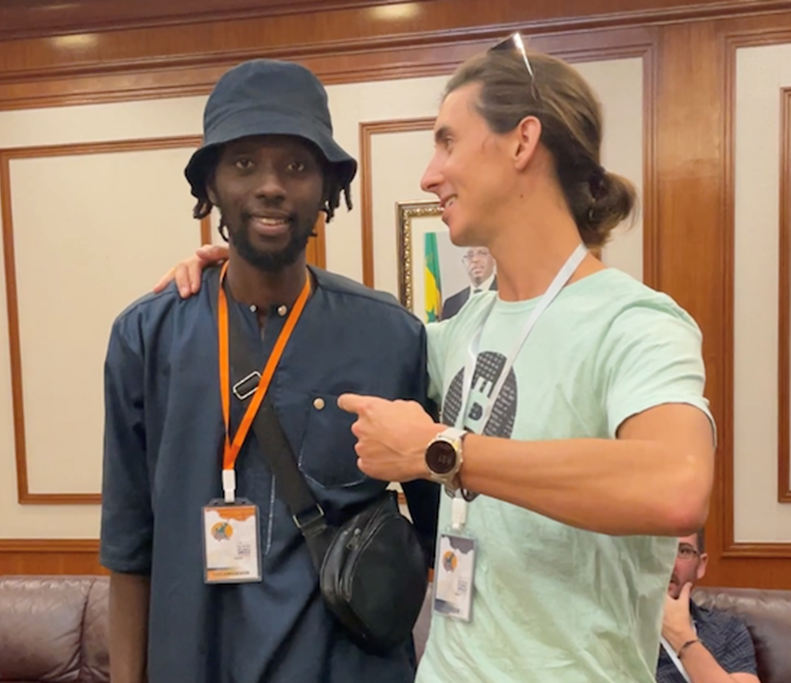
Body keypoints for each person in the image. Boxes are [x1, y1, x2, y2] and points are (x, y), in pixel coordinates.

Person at [156, 35, 715, 683]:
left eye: (447, 141)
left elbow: (675, 485)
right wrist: (244, 272)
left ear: (522, 142)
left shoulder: (634, 322)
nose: (429, 174)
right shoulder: (456, 332)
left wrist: (442, 452)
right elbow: (343, 335)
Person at [100, 59, 439, 683]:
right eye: (244, 163)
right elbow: (128, 545)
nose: (272, 186)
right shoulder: (147, 337)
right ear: (210, 184)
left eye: (297, 167)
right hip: (195, 661)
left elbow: (438, 529)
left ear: (328, 188)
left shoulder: (390, 335)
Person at [657, 531, 760, 682]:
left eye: (683, 551)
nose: (669, 563)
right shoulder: (620, 627)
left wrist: (681, 636)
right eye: (658, 548)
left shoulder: (727, 630)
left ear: (700, 565)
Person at [440, 247, 496, 320]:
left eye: (482, 253)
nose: (475, 259)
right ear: (463, 262)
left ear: (494, 258)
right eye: (469, 255)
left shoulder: (507, 295)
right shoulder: (451, 304)